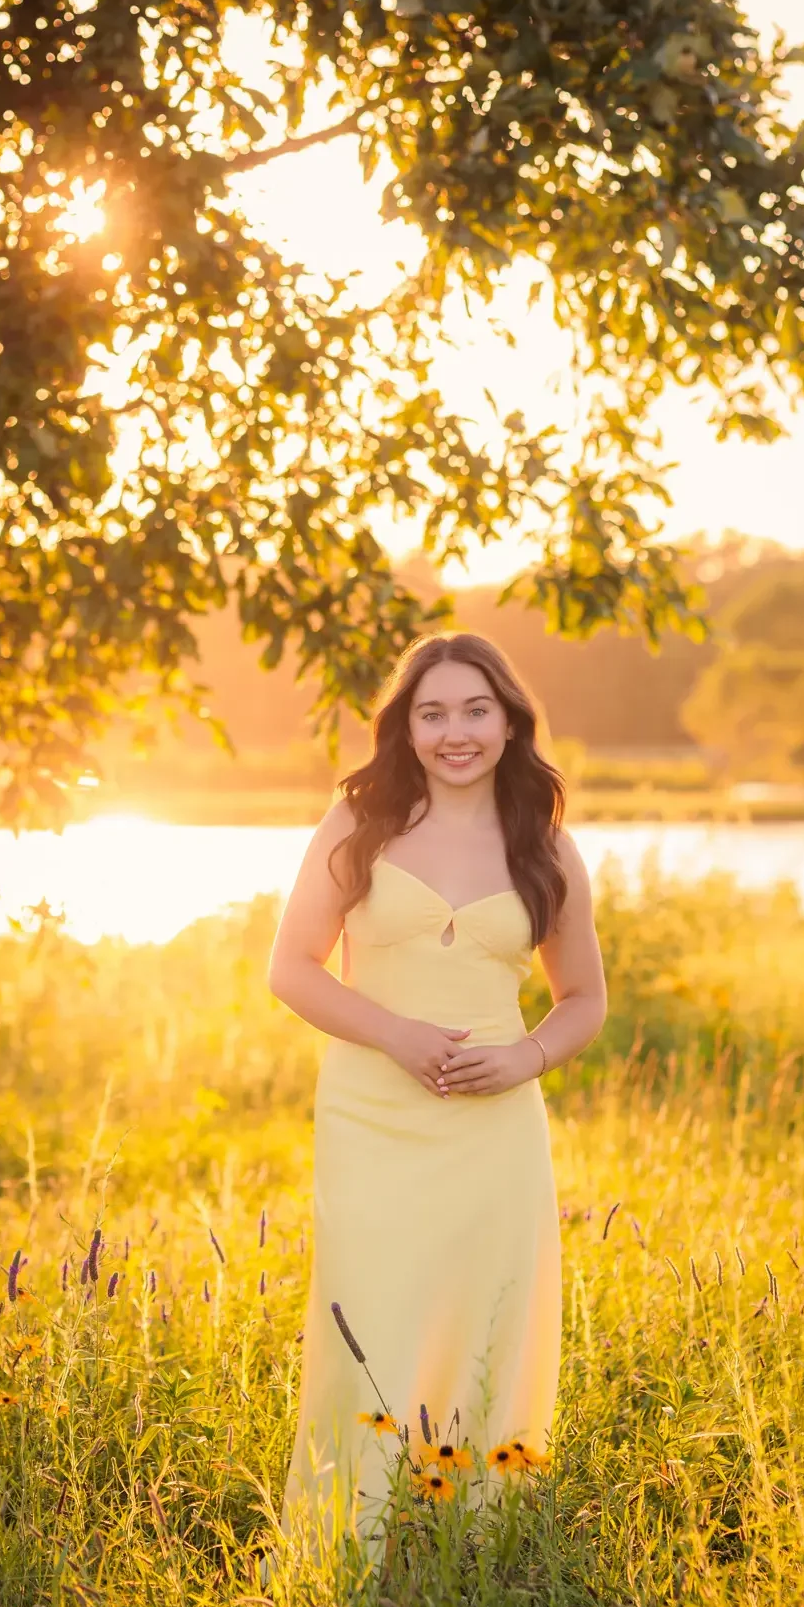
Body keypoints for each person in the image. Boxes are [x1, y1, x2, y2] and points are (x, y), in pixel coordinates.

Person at [267, 631, 607, 1559]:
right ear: (405, 727)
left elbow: (584, 1000)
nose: (454, 732)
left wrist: (527, 1058)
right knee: (369, 1312)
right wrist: (397, 1035)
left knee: (488, 1312)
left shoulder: (544, 843)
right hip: (372, 1115)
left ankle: (478, 1539)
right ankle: (348, 1539)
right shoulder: (358, 820)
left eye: (473, 710)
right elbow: (291, 971)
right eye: (432, 713)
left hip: (495, 1125)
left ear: (507, 723)